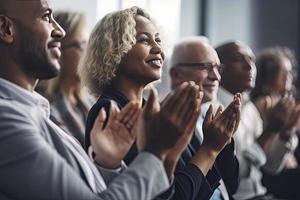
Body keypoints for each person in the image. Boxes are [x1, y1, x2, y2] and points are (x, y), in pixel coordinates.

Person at [0, 1, 201, 199]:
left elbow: (94, 191)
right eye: (46, 17)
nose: (59, 31)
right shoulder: (6, 121)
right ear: (6, 29)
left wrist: (107, 165)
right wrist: (156, 152)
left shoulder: (34, 111)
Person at [81, 7, 241, 200]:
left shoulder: (154, 111)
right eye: (144, 40)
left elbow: (215, 187)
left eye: (157, 40)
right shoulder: (109, 111)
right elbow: (170, 196)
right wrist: (209, 149)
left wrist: (221, 142)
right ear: (115, 50)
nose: (158, 49)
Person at [215, 41, 300, 200]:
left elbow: (271, 167)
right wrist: (270, 131)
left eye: (251, 60)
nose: (249, 66)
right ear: (218, 68)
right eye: (238, 59)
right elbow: (232, 176)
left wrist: (286, 133)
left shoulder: (250, 109)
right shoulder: (215, 111)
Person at [169, 36, 240, 200]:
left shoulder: (210, 116)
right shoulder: (165, 122)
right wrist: (210, 147)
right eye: (206, 67)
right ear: (176, 73)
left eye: (218, 68)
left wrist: (226, 142)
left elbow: (232, 186)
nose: (216, 77)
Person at [251, 47, 300, 199]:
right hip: (271, 175)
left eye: (290, 72)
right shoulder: (264, 104)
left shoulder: (286, 102)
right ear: (269, 77)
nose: (289, 77)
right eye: (284, 73)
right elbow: (265, 152)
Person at [45, 11, 93, 146]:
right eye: (82, 45)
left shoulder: (91, 102)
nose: (90, 53)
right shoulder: (47, 110)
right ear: (58, 50)